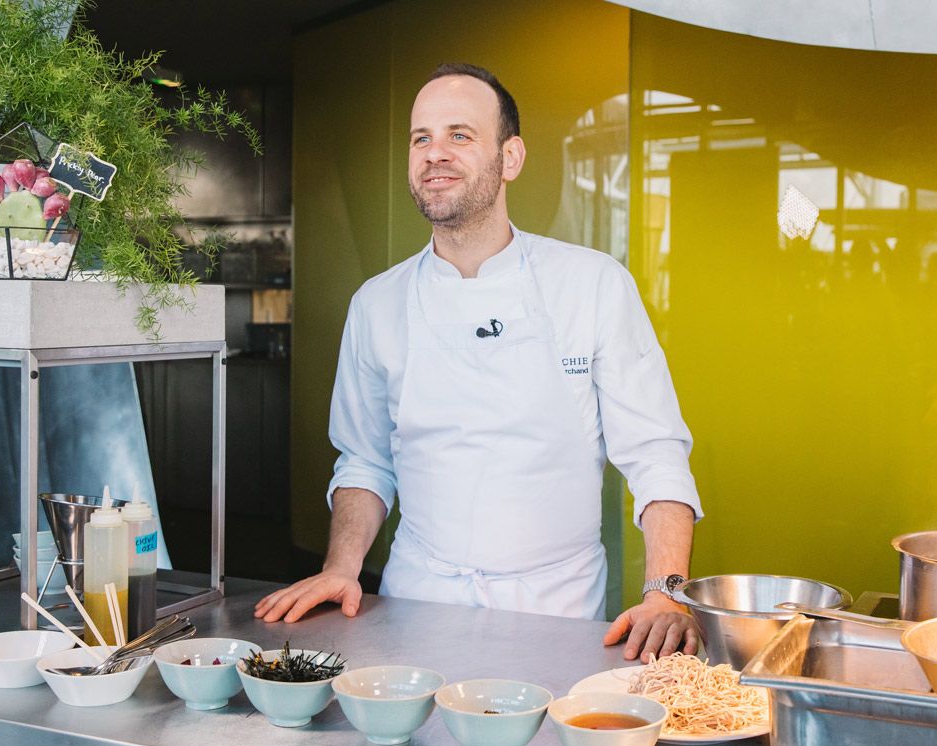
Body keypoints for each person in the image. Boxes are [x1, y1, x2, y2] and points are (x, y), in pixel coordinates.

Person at [255, 63, 703, 662]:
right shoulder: (376, 303)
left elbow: (654, 453)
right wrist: (342, 566)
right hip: (416, 607)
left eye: (459, 135)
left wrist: (666, 592)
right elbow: (365, 458)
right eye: (422, 138)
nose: (435, 153)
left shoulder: (592, 284)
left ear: (510, 157)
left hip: (558, 613)